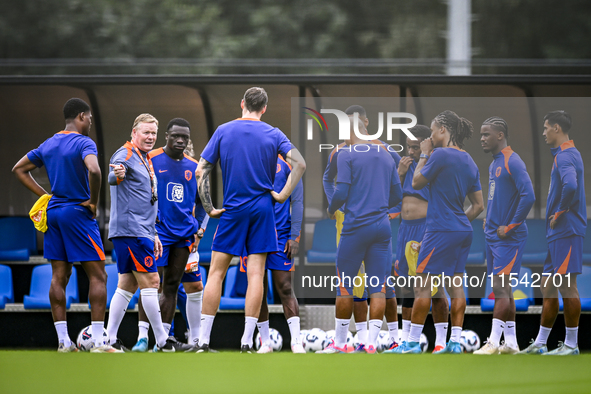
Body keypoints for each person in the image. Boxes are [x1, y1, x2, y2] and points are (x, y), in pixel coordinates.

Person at [196, 87, 306, 353]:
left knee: (216, 273)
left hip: (233, 209)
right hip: (262, 210)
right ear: (264, 108)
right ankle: (247, 341)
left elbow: (201, 170)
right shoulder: (273, 133)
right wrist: (281, 196)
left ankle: (203, 341)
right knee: (257, 274)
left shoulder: (223, 130)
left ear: (242, 103)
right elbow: (300, 164)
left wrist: (209, 208)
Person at [12, 98, 117, 352]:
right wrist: (92, 202)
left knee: (59, 275)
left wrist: (44, 196)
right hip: (76, 213)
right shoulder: (84, 142)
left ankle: (63, 342)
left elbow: (19, 168)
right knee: (98, 275)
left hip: (54, 213)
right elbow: (95, 170)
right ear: (81, 116)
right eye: (90, 118)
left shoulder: (49, 143)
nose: (91, 123)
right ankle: (100, 341)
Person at [400, 110, 484, 354]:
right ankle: (454, 343)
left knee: (422, 286)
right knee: (455, 285)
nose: (431, 135)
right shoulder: (469, 159)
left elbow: (416, 182)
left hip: (439, 230)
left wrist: (425, 154)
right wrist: (458, 222)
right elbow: (478, 206)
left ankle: (412, 343)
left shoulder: (438, 155)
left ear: (444, 131)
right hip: (462, 231)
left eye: (434, 130)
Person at [320, 117, 402, 354]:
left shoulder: (347, 154)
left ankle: (339, 343)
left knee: (345, 286)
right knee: (378, 287)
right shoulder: (386, 154)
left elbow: (342, 190)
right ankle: (370, 344)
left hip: (355, 227)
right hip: (382, 228)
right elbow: (397, 194)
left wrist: (332, 208)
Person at [105, 113, 186, 352]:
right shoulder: (126, 154)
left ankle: (108, 339)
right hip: (132, 231)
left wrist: (155, 233)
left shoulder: (144, 157)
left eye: (153, 133)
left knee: (127, 285)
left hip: (139, 230)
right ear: (134, 133)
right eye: (146, 132)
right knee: (152, 281)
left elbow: (147, 199)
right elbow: (114, 174)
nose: (150, 137)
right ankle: (163, 340)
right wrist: (116, 175)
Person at [131, 118, 206, 352]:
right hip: (157, 234)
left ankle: (163, 340)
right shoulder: (150, 159)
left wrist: (199, 230)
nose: (181, 140)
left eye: (185, 136)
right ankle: (142, 337)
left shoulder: (195, 167)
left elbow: (203, 202)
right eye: (176, 136)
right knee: (152, 286)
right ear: (166, 135)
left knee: (172, 286)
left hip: (184, 235)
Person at [521, 111, 586, 355]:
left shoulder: (565, 156)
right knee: (548, 286)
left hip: (567, 230)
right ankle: (540, 343)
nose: (544, 132)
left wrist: (560, 211)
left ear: (557, 128)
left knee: (567, 286)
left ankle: (571, 345)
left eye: (546, 128)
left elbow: (570, 185)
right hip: (557, 234)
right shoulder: (566, 154)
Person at [384, 124, 450, 354]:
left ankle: (441, 341)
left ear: (427, 145)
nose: (410, 152)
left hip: (426, 230)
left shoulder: (434, 165)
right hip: (405, 230)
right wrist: (399, 174)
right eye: (409, 147)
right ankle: (406, 341)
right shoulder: (402, 166)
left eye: (416, 147)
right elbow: (391, 197)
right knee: (406, 287)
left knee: (434, 287)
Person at [474, 117, 535, 355]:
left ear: (500, 135)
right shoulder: (494, 163)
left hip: (509, 237)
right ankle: (510, 343)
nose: (482, 138)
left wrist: (509, 226)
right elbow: (496, 196)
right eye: (481, 134)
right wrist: (489, 219)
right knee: (505, 290)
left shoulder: (513, 160)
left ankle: (492, 342)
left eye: (486, 134)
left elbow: (528, 196)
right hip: (493, 235)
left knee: (499, 289)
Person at [240, 155, 305, 353]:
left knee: (285, 287)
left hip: (280, 235)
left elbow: (299, 201)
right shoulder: (250, 161)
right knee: (257, 288)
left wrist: (295, 236)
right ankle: (265, 342)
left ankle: (296, 341)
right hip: (253, 234)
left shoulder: (287, 165)